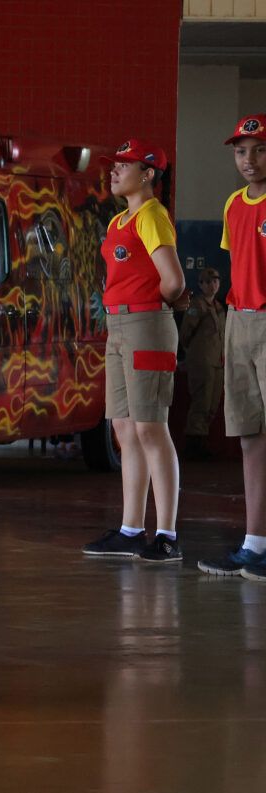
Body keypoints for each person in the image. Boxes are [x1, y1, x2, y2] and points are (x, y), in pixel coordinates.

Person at [82, 139, 187, 563]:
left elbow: (175, 282)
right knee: (124, 430)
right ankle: (130, 529)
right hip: (118, 323)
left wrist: (151, 304)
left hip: (146, 323)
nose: (113, 171)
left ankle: (166, 534)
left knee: (149, 428)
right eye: (113, 164)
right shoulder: (118, 221)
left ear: (148, 174)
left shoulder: (151, 215)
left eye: (124, 165)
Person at [198, 115, 266, 579]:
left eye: (259, 149)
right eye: (241, 151)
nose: (249, 159)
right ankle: (254, 544)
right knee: (249, 437)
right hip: (238, 321)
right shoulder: (232, 205)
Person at [179, 267, 226, 460]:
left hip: (216, 362)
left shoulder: (219, 306)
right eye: (207, 282)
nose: (212, 285)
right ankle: (193, 446)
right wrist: (193, 354)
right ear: (201, 285)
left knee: (212, 404)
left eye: (215, 281)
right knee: (201, 402)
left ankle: (202, 443)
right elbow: (186, 334)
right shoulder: (196, 306)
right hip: (202, 361)